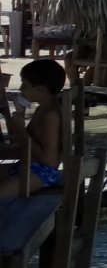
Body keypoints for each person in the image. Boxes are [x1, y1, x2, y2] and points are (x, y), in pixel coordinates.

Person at [2, 58, 67, 199]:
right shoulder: (41, 110)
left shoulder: (51, 115)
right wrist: (20, 114)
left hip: (44, 174)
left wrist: (21, 130)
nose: (20, 89)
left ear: (40, 89)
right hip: (30, 166)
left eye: (24, 85)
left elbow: (48, 160)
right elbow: (25, 143)